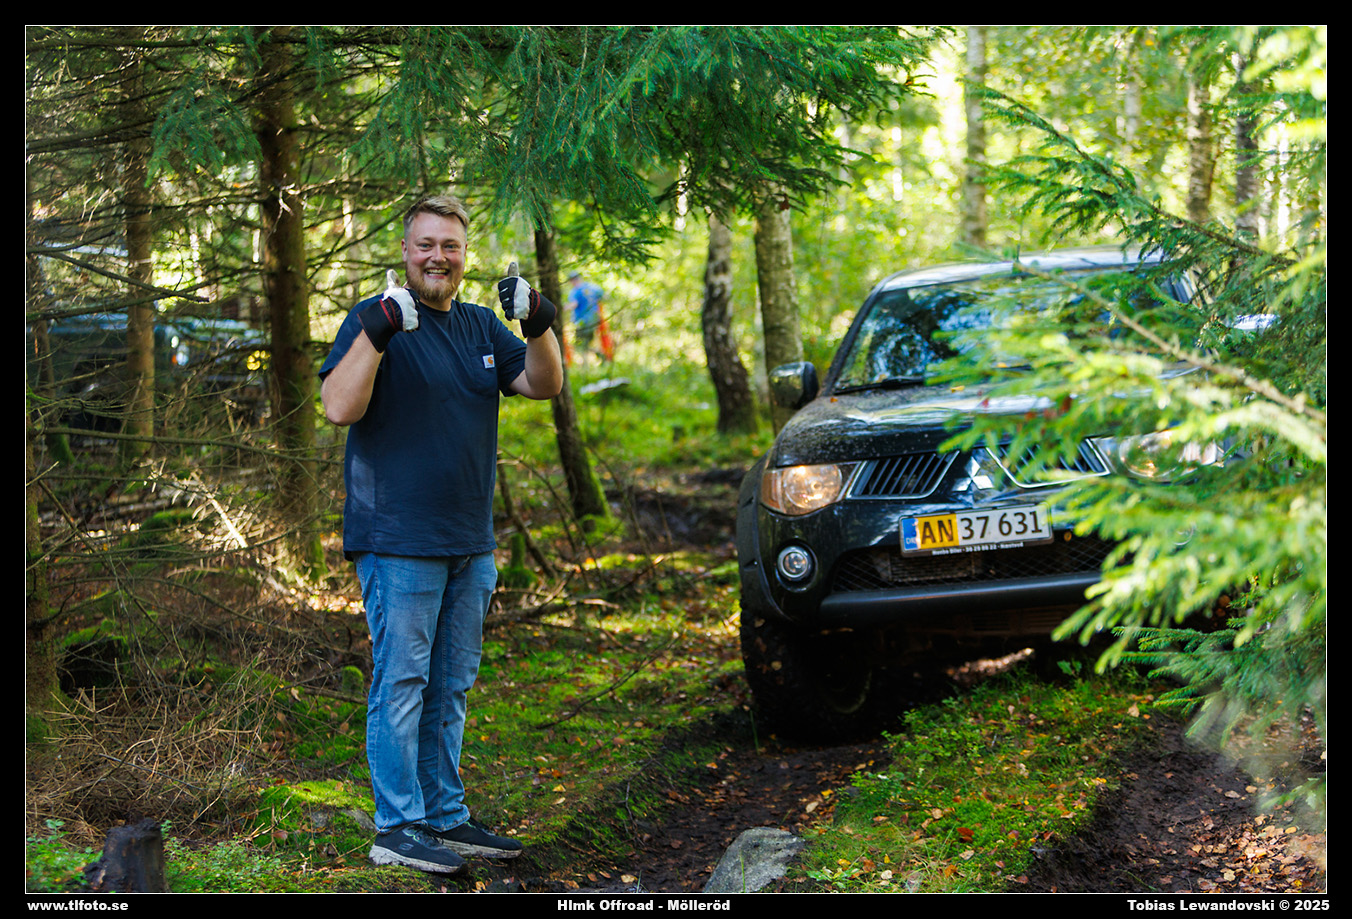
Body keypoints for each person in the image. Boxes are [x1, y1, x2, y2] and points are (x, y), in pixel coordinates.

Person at [319, 194, 562, 875]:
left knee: (450, 685)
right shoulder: (376, 320)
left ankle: (444, 815)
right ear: (405, 251)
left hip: (469, 540)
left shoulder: (481, 325)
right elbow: (338, 407)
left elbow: (544, 384)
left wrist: (538, 322)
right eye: (425, 244)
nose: (437, 257)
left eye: (449, 246)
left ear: (463, 255)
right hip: (397, 539)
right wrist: (377, 331)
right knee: (401, 683)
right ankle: (396, 826)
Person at [566, 271, 611, 363]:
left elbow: (574, 304)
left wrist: (563, 308)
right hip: (595, 319)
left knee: (581, 343)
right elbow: (604, 296)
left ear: (572, 281)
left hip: (582, 322)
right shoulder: (593, 287)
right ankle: (601, 355)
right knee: (587, 342)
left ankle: (588, 362)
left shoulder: (575, 291)